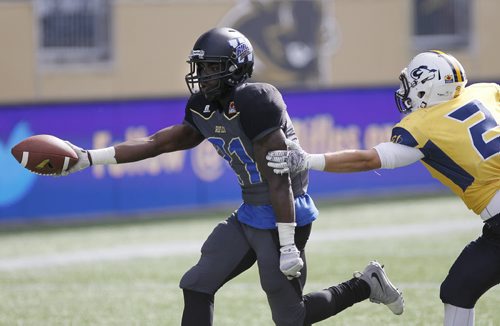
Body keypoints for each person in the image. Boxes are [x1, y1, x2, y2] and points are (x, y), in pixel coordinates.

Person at [61, 27, 404, 325]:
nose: (203, 76)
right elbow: (157, 142)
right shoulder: (203, 106)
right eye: (201, 68)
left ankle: (366, 284)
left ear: (237, 68)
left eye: (212, 68)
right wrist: (90, 157)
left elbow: (278, 179)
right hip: (251, 211)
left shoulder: (256, 99)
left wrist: (287, 244)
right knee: (196, 283)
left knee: (290, 317)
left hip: (284, 212)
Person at [267, 50, 500, 326]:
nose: (405, 91)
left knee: (460, 288)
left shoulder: (424, 126)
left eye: (410, 84)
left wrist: (307, 160)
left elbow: (369, 159)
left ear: (428, 85)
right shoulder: (486, 93)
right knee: (459, 288)